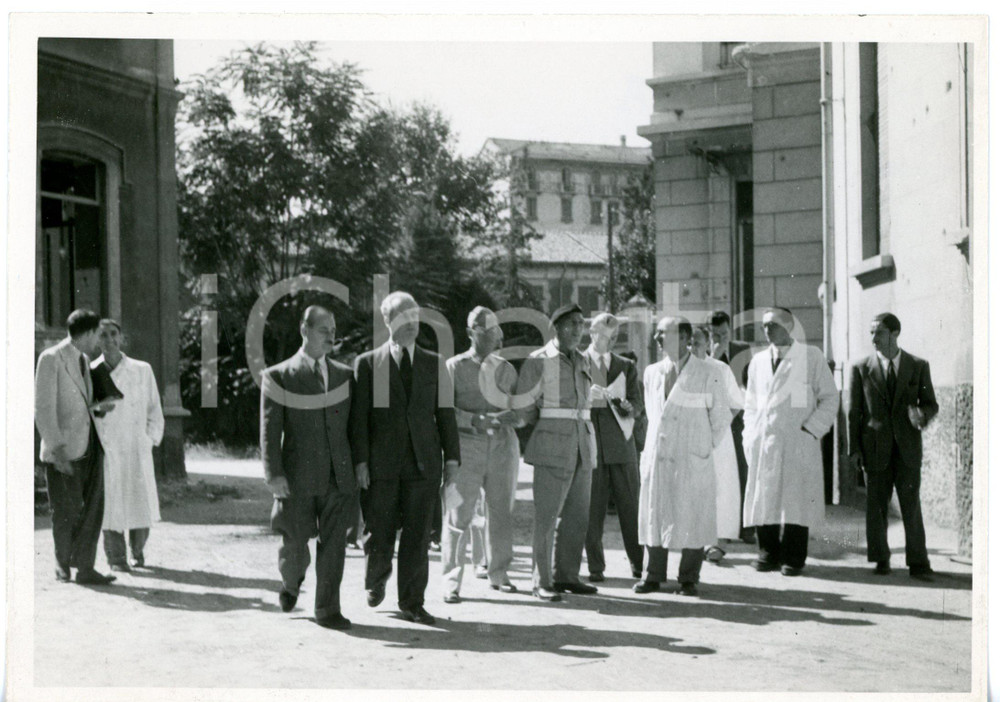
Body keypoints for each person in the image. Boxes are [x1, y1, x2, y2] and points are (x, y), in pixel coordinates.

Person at [351, 291, 461, 625]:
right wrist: (361, 462)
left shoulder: (433, 363)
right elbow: (358, 419)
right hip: (382, 465)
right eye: (402, 318)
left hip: (423, 463)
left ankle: (412, 602)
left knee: (417, 535)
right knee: (378, 530)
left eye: (415, 317)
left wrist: (452, 459)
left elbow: (445, 415)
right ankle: (376, 577)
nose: (411, 324)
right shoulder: (368, 363)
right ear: (386, 321)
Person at [260, 305, 358, 630]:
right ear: (305, 329)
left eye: (333, 330)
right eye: (323, 330)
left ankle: (327, 609)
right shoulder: (279, 375)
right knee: (295, 543)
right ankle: (291, 583)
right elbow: (270, 429)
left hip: (337, 475)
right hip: (297, 477)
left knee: (334, 546)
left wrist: (359, 465)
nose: (331, 335)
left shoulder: (345, 374)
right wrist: (273, 473)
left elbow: (353, 428)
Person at [633, 320, 730, 596]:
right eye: (658, 332)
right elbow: (654, 415)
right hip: (659, 454)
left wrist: (701, 444)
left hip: (691, 455)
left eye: (664, 332)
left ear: (685, 336)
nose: (657, 337)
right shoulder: (652, 372)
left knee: (693, 514)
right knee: (655, 512)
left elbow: (721, 417)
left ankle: (689, 577)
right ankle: (653, 575)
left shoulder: (708, 371)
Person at [742, 308, 838, 576]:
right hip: (766, 439)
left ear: (789, 326)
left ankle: (794, 557)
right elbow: (750, 404)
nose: (766, 330)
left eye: (772, 325)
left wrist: (811, 430)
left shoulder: (811, 357)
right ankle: (768, 552)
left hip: (798, 440)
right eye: (764, 326)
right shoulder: (758, 362)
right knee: (766, 496)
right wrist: (750, 435)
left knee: (797, 500)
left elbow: (830, 398)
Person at [845, 313, 939, 580]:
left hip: (907, 448)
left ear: (895, 333)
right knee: (876, 506)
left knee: (911, 506)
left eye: (880, 333)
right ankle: (880, 559)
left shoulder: (918, 366)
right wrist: (854, 450)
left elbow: (931, 403)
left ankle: (919, 563)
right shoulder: (861, 368)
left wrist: (922, 414)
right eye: (871, 333)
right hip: (874, 448)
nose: (873, 339)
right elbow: (854, 412)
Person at [515, 303, 597, 601]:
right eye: (572, 324)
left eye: (581, 323)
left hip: (582, 446)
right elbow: (525, 408)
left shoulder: (583, 360)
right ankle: (542, 581)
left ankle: (567, 576)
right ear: (557, 327)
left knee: (577, 517)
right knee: (547, 517)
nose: (578, 329)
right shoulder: (539, 361)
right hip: (552, 447)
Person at [440, 306, 520, 602]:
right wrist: (473, 419)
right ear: (471, 333)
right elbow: (443, 411)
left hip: (502, 446)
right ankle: (451, 581)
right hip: (465, 446)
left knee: (500, 512)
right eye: (484, 330)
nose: (492, 335)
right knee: (458, 513)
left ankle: (499, 573)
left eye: (495, 329)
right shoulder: (454, 367)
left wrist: (517, 416)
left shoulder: (507, 369)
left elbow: (520, 408)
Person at [35, 309, 117, 585]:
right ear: (87, 333)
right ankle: (62, 566)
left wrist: (100, 408)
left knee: (93, 508)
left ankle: (85, 568)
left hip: (91, 445)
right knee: (65, 510)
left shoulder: (84, 360)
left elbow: (84, 404)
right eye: (97, 334)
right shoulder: (50, 359)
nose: (99, 342)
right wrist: (56, 450)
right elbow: (43, 409)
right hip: (64, 449)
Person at [90, 319, 165, 571]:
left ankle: (138, 551)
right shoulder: (91, 372)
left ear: (122, 338)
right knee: (111, 503)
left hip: (136, 446)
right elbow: (89, 412)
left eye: (113, 334)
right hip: (108, 447)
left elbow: (154, 408)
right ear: (96, 340)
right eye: (102, 335)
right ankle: (116, 558)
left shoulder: (141, 370)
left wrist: (150, 439)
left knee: (139, 501)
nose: (109, 340)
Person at [583, 312, 645, 582]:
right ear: (592, 333)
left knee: (632, 507)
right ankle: (596, 567)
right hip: (592, 445)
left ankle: (638, 564)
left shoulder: (626, 365)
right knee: (592, 509)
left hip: (622, 445)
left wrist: (632, 408)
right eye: (604, 333)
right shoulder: (578, 361)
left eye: (615, 334)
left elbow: (637, 403)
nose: (610, 338)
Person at [690, 326, 745, 562]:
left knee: (720, 488)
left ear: (707, 343)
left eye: (698, 343)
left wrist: (718, 425)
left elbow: (736, 402)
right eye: (689, 343)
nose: (693, 348)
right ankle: (695, 541)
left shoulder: (720, 369)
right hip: (689, 437)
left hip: (718, 439)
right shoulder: (681, 370)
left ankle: (716, 542)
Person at [709, 310, 754, 544]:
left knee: (743, 469)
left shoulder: (742, 349)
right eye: (716, 334)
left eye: (724, 333)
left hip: (737, 419)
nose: (721, 338)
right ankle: (719, 527)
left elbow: (750, 382)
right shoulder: (702, 352)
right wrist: (714, 355)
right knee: (717, 474)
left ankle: (746, 528)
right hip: (711, 421)